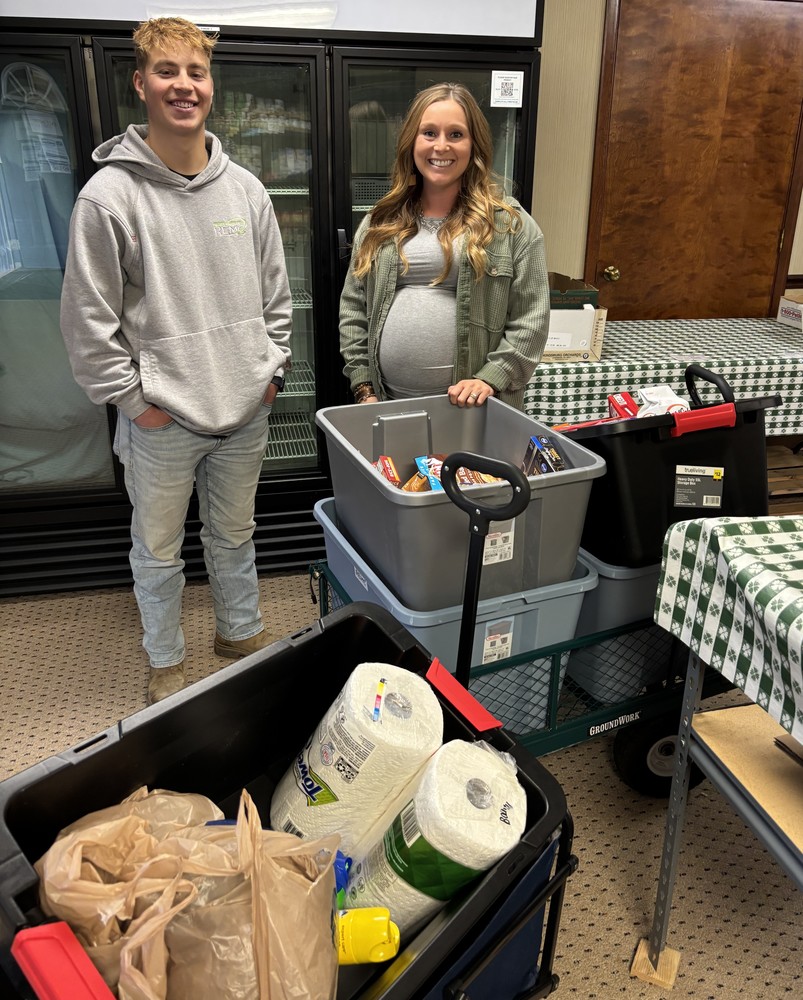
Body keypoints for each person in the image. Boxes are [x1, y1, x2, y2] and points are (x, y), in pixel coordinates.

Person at [60, 17, 292, 705]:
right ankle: (165, 659)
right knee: (158, 551)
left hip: (244, 411)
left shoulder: (245, 191)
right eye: (167, 71)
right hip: (162, 423)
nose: (183, 85)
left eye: (195, 71)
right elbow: (85, 324)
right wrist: (135, 404)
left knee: (234, 534)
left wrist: (270, 376)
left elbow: (277, 295)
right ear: (141, 83)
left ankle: (239, 633)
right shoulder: (108, 198)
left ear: (210, 86)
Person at [339, 81, 549, 410]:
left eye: (455, 134)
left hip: (475, 414)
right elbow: (353, 310)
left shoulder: (512, 226)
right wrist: (364, 387)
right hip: (387, 406)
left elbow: (532, 320)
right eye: (429, 133)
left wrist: (489, 378)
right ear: (411, 142)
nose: (441, 146)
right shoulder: (379, 222)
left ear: (474, 145)